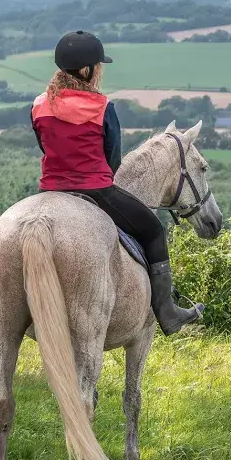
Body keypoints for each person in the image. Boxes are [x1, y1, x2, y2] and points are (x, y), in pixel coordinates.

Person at [30, 30, 203, 335]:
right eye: (98, 66)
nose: (100, 71)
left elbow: (45, 146)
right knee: (153, 229)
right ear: (86, 70)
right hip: (95, 189)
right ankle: (168, 312)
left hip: (50, 189)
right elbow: (113, 158)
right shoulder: (102, 107)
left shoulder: (39, 105)